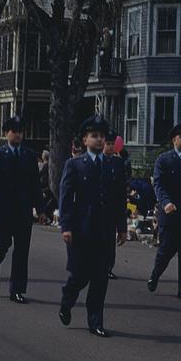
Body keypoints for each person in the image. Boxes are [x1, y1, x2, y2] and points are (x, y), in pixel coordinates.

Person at [58, 115, 127, 337]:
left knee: (100, 277)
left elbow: (119, 199)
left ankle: (95, 321)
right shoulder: (75, 165)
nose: (99, 140)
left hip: (104, 230)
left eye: (102, 136)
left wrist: (122, 227)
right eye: (94, 136)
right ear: (85, 140)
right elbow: (66, 198)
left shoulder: (115, 166)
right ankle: (67, 299)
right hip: (81, 229)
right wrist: (66, 226)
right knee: (79, 274)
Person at [0, 116, 45, 302]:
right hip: (2, 211)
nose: (17, 134)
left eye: (20, 131)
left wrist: (41, 209)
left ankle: (17, 290)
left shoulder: (29, 155)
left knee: (21, 251)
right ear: (6, 133)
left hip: (23, 211)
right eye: (14, 131)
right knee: (1, 246)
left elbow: (35, 185)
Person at [147, 123, 181, 301]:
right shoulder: (164, 160)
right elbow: (159, 184)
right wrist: (165, 202)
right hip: (170, 213)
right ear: (174, 140)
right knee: (166, 250)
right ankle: (155, 275)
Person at [103, 130, 126, 280]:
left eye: (112, 144)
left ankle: (108, 267)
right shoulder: (98, 161)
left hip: (112, 208)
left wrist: (122, 226)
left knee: (110, 242)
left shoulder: (118, 163)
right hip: (98, 208)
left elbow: (121, 191)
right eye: (108, 144)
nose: (110, 147)